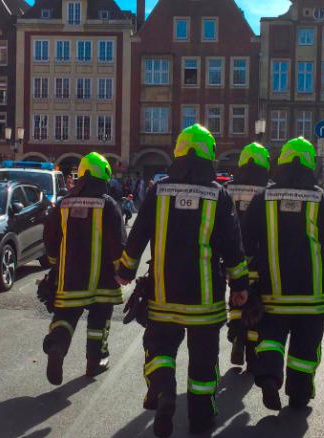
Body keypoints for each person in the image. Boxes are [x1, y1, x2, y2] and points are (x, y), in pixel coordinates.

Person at [117, 124, 249, 437]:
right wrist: (240, 286)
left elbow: (138, 235)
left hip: (163, 296)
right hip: (205, 300)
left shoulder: (157, 191)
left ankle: (163, 391)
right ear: (210, 156)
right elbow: (233, 245)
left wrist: (125, 271)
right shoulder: (219, 195)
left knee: (160, 348)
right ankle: (201, 419)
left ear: (178, 152)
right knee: (204, 363)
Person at [241, 137, 324, 411]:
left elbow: (245, 240)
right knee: (305, 347)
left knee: (270, 337)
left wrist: (243, 278)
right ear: (310, 164)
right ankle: (299, 395)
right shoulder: (322, 199)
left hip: (273, 291)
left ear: (280, 164)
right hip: (313, 295)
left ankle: (269, 377)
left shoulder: (263, 198)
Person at [42, 152, 127, 385]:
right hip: (103, 280)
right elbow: (117, 241)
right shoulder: (107, 204)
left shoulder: (63, 204)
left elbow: (50, 237)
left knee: (65, 316)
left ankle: (58, 346)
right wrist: (123, 271)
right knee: (99, 320)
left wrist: (53, 264)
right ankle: (94, 361)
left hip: (69, 278)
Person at [225, 143, 271, 368]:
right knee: (256, 301)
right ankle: (252, 351)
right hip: (261, 257)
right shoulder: (269, 191)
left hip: (234, 256)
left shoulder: (229, 190)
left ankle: (236, 338)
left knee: (236, 296)